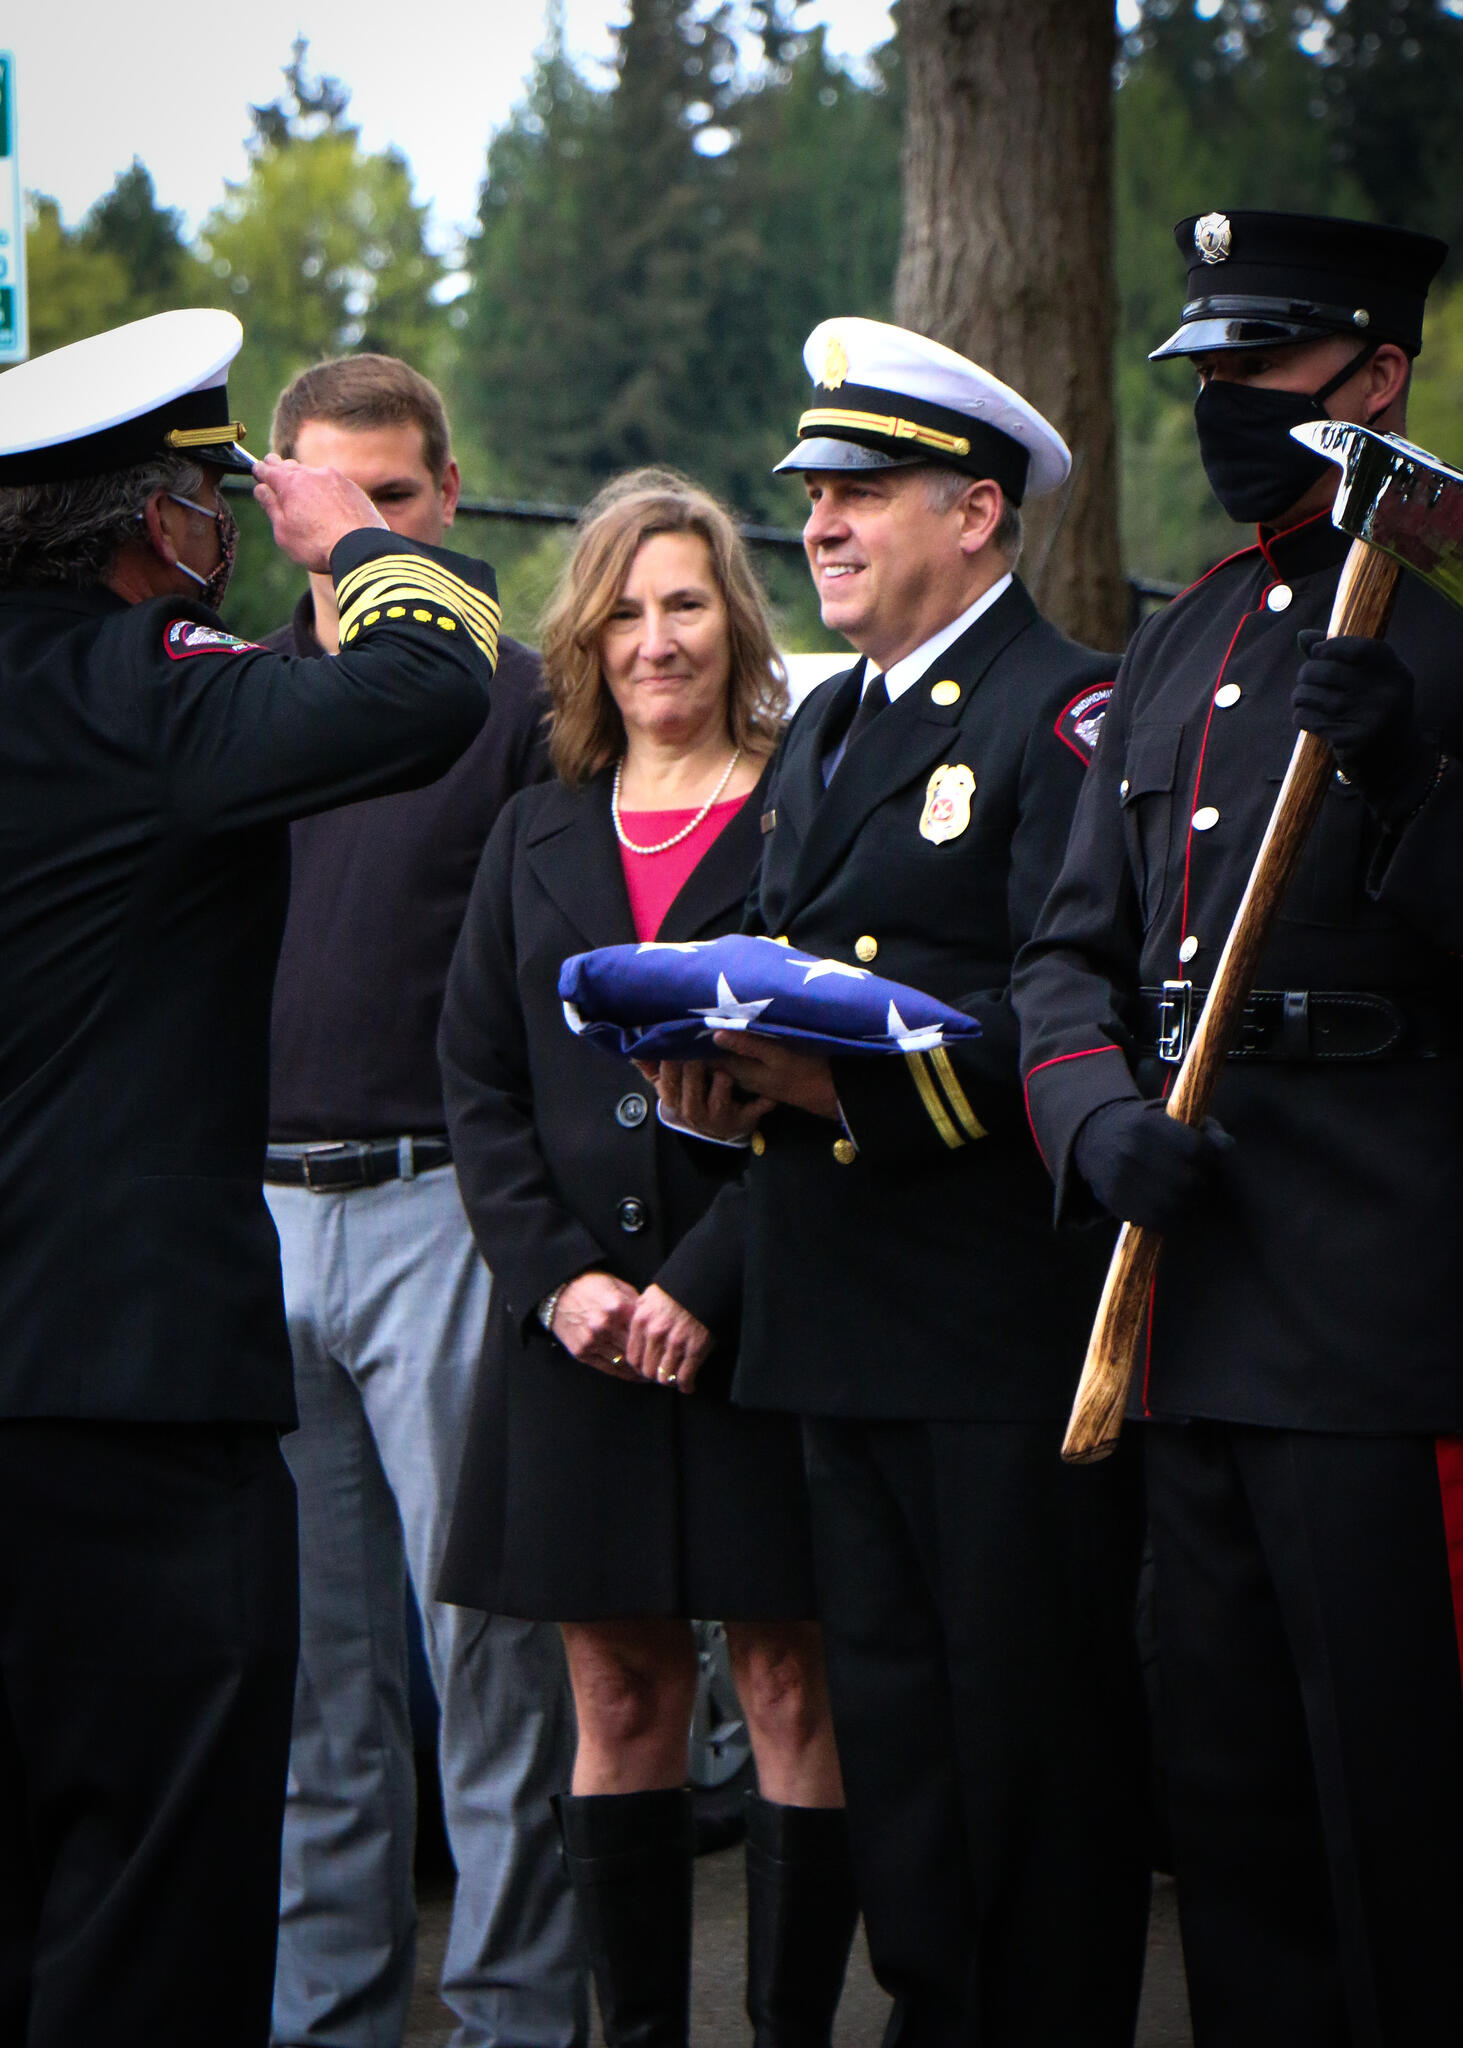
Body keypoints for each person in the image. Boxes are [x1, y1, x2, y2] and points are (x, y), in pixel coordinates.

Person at [649, 320, 1151, 2046]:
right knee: (902, 1744)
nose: (824, 527)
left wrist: (843, 1083)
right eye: (814, 498)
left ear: (983, 515)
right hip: (837, 1312)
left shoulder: (1069, 709)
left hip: (986, 1315)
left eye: (865, 494)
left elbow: (1078, 1003)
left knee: (1024, 1743)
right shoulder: (828, 727)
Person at [0, 309, 499, 2046]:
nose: (234, 531)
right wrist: (359, 538)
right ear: (166, 523)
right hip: (128, 1419)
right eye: (219, 498)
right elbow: (439, 675)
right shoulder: (138, 694)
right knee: (152, 1909)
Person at [1014, 212, 1463, 2044]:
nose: (1221, 405)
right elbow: (1065, 957)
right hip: (1181, 1293)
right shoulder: (1181, 639)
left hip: (1376, 1308)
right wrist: (1092, 1122)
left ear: (1378, 381)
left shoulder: (1439, 649)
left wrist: (1412, 780)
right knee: (1237, 1815)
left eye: (1261, 371)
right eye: (1203, 373)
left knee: (1403, 1811)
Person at [437, 469, 858, 2048]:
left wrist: (705, 1279)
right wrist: (562, 1281)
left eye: (684, 601)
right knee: (615, 1697)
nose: (655, 637)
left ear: (730, 620)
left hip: (764, 1318)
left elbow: (844, 1083)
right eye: (623, 608)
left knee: (793, 1689)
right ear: (585, 638)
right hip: (579, 1339)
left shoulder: (802, 812)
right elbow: (476, 1082)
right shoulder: (533, 828)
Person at [259, 355, 583, 2048]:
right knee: (318, 1686)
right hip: (253, 1217)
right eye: (337, 494)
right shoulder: (233, 703)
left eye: (398, 495)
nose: (367, 525)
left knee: (491, 1661)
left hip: (444, 1209)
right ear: (279, 503)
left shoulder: (524, 708)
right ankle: (328, 2019)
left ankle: (521, 2011)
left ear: (450, 499)